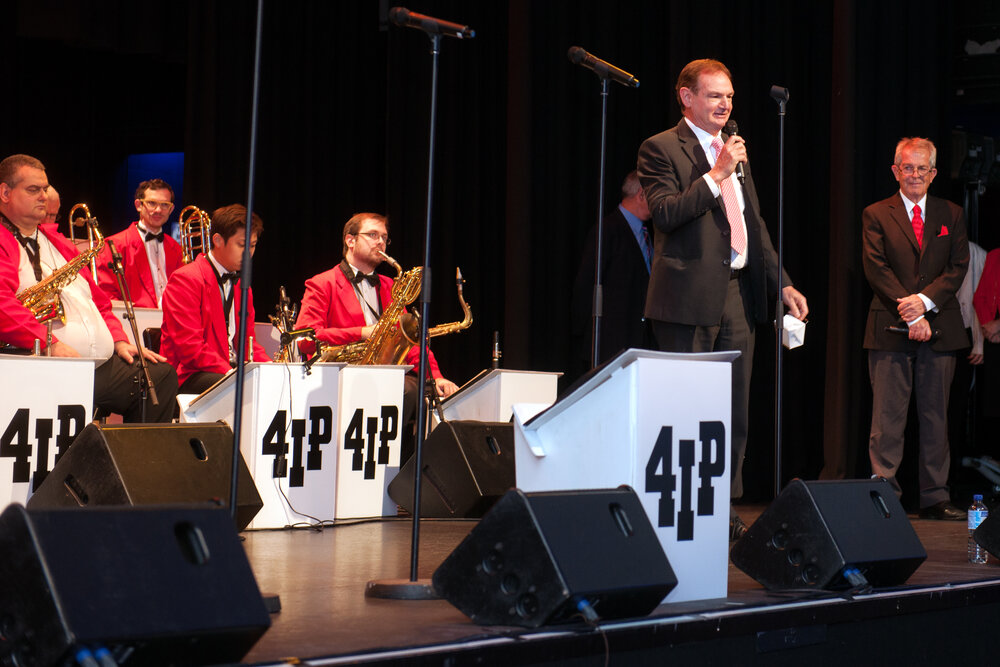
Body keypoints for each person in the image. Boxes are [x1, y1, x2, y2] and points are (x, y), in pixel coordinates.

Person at [637, 59, 808, 539]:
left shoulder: (734, 152)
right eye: (715, 95)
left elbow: (753, 226)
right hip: (685, 300)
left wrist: (782, 284)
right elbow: (666, 214)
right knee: (683, 408)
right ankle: (675, 503)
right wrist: (715, 174)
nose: (725, 104)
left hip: (737, 294)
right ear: (686, 97)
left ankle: (722, 506)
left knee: (733, 409)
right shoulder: (660, 148)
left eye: (729, 96)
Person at [0, 154, 177, 422]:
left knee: (159, 377)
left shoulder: (57, 241)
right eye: (33, 190)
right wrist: (51, 344)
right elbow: (3, 304)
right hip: (41, 363)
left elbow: (100, 302)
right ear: (5, 193)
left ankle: (135, 464)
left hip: (96, 366)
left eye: (45, 189)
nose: (43, 197)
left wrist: (118, 340)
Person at [294, 212, 459, 461]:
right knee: (406, 391)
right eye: (372, 235)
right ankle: (377, 462)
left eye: (384, 237)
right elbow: (306, 337)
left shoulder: (390, 286)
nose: (380, 242)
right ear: (350, 240)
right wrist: (362, 333)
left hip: (385, 374)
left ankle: (405, 471)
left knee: (428, 392)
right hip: (342, 376)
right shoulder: (322, 283)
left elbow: (410, 342)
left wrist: (435, 377)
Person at [863, 137, 969, 520]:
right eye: (907, 167)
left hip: (941, 328)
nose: (914, 175)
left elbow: (957, 268)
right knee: (887, 419)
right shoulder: (876, 213)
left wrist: (923, 304)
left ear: (934, 173)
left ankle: (935, 496)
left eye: (922, 168)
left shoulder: (952, 214)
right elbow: (876, 269)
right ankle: (884, 494)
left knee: (936, 417)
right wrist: (910, 312)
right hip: (890, 327)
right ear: (895, 171)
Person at [160, 203, 269, 395]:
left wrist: (270, 367)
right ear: (218, 240)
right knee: (238, 388)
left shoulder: (243, 286)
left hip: (226, 372)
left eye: (252, 246)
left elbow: (246, 343)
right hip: (190, 375)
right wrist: (231, 372)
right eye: (242, 245)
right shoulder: (186, 279)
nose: (249, 253)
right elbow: (190, 350)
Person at [570, 171, 654, 379]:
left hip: (638, 340)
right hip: (610, 345)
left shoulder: (649, 233)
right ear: (642, 195)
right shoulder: (606, 230)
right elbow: (585, 284)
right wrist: (584, 335)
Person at [96, 179, 183, 308]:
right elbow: (107, 296)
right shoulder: (113, 245)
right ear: (138, 205)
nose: (158, 210)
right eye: (152, 203)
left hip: (172, 321)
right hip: (135, 323)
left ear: (171, 209)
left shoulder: (175, 248)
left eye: (164, 205)